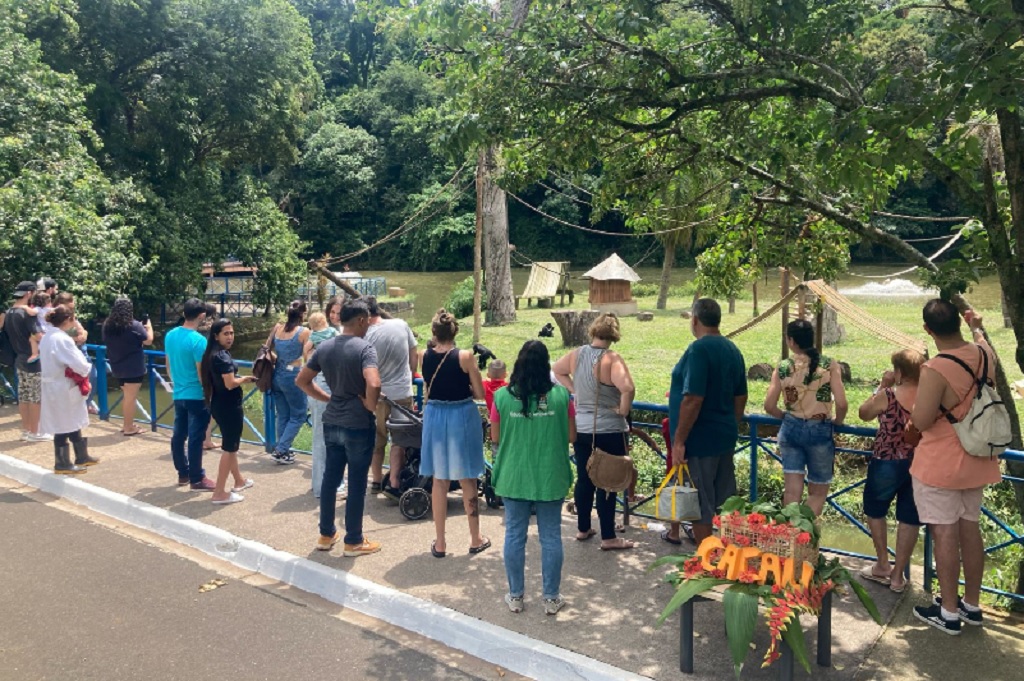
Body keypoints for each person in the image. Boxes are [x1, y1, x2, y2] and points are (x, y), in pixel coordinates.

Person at [909, 300, 1002, 635]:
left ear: (928, 329)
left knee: (944, 533)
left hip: (941, 463)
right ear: (959, 324)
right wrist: (977, 325)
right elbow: (981, 340)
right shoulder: (984, 354)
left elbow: (921, 420)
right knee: (970, 529)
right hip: (978, 457)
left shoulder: (936, 368)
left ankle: (948, 612)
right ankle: (971, 605)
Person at [490, 340, 576, 614]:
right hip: (551, 475)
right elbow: (572, 436)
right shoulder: (562, 397)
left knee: (515, 535)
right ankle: (551, 598)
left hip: (513, 476)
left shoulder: (501, 397)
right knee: (551, 537)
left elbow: (494, 437)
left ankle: (515, 596)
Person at [296, 299, 382, 557]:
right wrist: (370, 405)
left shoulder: (325, 347)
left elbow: (302, 380)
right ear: (361, 320)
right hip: (358, 423)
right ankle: (353, 540)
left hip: (332, 421)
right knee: (356, 482)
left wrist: (327, 398)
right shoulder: (365, 348)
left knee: (330, 478)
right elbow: (374, 382)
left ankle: (326, 534)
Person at [664, 299, 748, 545]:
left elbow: (693, 399)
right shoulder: (733, 350)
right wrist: (731, 424)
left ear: (695, 320)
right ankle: (728, 556)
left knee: (699, 505)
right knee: (726, 503)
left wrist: (679, 441)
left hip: (699, 440)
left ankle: (705, 559)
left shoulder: (698, 350)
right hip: (724, 436)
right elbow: (741, 396)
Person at [552, 312, 636, 550]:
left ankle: (583, 528)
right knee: (607, 481)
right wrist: (623, 410)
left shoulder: (577, 354)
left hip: (582, 428)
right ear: (614, 335)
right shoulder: (612, 358)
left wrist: (574, 389)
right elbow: (628, 387)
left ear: (594, 331)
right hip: (609, 429)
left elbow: (557, 370)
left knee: (585, 478)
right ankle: (609, 536)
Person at [420, 309, 489, 557]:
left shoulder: (423, 356)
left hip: (435, 416)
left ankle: (440, 542)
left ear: (434, 332)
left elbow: (427, 388)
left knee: (439, 480)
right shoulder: (465, 356)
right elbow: (480, 393)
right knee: (467, 478)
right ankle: (475, 537)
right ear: (455, 331)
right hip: (461, 415)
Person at [764, 319, 848, 516]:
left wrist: (784, 416)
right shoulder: (829, 365)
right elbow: (842, 403)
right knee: (818, 492)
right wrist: (838, 421)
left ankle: (790, 532)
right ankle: (804, 532)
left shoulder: (783, 367)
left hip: (790, 429)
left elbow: (769, 405)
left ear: (791, 341)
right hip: (819, 430)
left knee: (792, 492)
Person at [858, 350, 925, 594]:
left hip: (886, 460)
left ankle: (883, 564)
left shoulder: (888, 395)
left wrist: (882, 385)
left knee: (875, 510)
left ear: (898, 372)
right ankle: (898, 576)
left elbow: (864, 413)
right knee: (910, 517)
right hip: (918, 462)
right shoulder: (928, 397)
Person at [201, 319, 257, 505]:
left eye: (232, 333)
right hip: (229, 406)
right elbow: (230, 383)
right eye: (226, 333)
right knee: (229, 448)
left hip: (218, 404)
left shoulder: (211, 354)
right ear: (216, 336)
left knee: (230, 445)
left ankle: (239, 480)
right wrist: (244, 379)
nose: (230, 337)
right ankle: (219, 492)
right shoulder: (222, 357)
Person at [365, 296, 418, 493]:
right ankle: (395, 482)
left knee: (376, 440)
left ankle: (376, 480)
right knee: (400, 440)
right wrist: (410, 376)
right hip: (402, 392)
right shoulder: (401, 324)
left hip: (376, 396)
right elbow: (414, 354)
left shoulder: (364, 335)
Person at [39, 305, 98, 473]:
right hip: (62, 386)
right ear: (68, 320)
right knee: (63, 423)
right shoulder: (62, 339)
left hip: (54, 385)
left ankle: (81, 456)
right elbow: (79, 363)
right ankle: (62, 463)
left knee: (69, 420)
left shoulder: (48, 337)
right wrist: (86, 371)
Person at [165, 298, 214, 490]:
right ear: (202, 316)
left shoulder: (170, 335)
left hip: (179, 392)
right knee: (196, 437)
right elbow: (202, 373)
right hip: (196, 395)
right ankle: (197, 477)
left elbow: (168, 365)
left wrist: (178, 383)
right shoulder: (199, 341)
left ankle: (183, 473)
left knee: (179, 435)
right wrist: (208, 394)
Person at [102, 297, 154, 436]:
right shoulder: (134, 325)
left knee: (127, 396)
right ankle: (128, 427)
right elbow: (148, 340)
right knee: (131, 398)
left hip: (117, 365)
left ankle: (127, 423)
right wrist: (148, 326)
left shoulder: (108, 325)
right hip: (133, 367)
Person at [269, 301, 311, 464]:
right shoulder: (304, 332)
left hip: (277, 375)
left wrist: (279, 359)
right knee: (299, 415)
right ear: (302, 314)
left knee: (283, 414)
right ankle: (281, 450)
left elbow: (266, 349)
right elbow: (308, 357)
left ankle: (283, 450)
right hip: (293, 376)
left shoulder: (277, 328)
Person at [4, 281, 47, 441]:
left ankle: (26, 430)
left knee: (24, 396)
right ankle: (35, 432)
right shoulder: (28, 314)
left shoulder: (9, 313)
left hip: (19, 359)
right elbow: (38, 336)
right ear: (29, 293)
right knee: (35, 397)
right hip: (33, 360)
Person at [303, 311, 339, 498]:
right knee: (324, 439)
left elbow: (306, 355)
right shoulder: (334, 335)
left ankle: (322, 484)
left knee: (321, 438)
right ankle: (322, 487)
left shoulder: (313, 338)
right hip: (324, 389)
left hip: (317, 388)